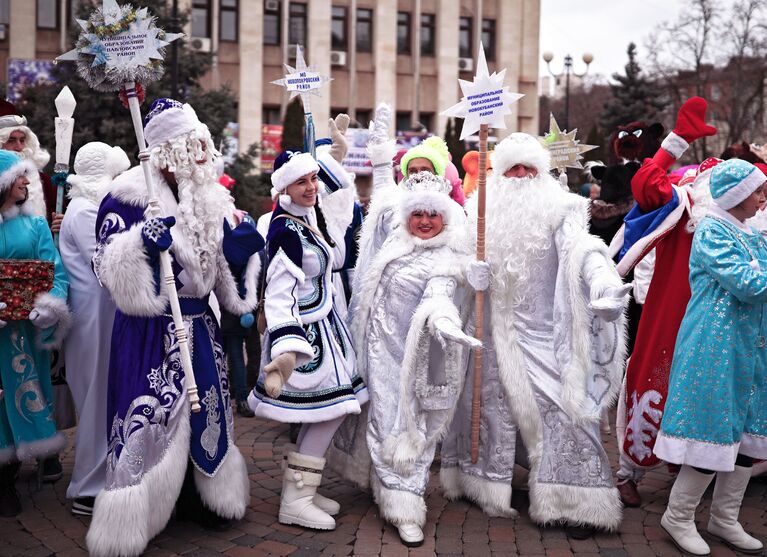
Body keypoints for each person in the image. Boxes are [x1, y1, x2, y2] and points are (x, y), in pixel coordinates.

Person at [87, 98, 263, 557]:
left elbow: (226, 277)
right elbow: (106, 264)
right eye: (195, 146)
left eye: (205, 144)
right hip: (150, 329)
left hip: (200, 324)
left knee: (205, 410)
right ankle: (135, 514)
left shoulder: (211, 197)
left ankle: (199, 496)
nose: (204, 155)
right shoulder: (128, 195)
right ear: (169, 150)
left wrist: (243, 256)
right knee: (151, 416)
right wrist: (140, 245)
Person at [440, 132, 631, 537]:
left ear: (542, 171)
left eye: (529, 166)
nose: (522, 175)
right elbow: (453, 260)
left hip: (544, 331)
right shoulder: (479, 211)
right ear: (501, 173)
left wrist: (603, 283)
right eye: (513, 168)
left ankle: (577, 502)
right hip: (489, 333)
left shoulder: (562, 208)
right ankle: (488, 481)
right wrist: (464, 273)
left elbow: (584, 249)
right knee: (492, 411)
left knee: (565, 410)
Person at [247, 125, 367, 531]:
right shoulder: (284, 229)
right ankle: (295, 500)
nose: (311, 186)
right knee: (328, 413)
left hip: (327, 327)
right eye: (302, 181)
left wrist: (332, 154)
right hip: (306, 336)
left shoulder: (307, 217)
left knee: (327, 412)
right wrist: (285, 348)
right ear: (285, 188)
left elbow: (337, 205)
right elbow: (279, 292)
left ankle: (302, 491)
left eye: (313, 178)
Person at [351, 169, 478, 546]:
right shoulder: (397, 242)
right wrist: (377, 161)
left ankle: (406, 505)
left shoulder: (450, 256)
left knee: (411, 429)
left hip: (417, 361)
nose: (424, 222)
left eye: (432, 215)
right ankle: (384, 487)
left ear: (445, 216)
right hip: (379, 353)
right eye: (417, 214)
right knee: (380, 420)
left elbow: (440, 295)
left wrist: (444, 321)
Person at [607, 97, 721, 507]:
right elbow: (644, 184)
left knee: (699, 391)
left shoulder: (745, 218)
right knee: (650, 380)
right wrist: (679, 140)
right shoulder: (683, 205)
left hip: (715, 322)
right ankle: (628, 472)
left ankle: (687, 465)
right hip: (668, 314)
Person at [654, 158, 767, 556]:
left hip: (753, 347)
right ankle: (679, 516)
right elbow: (750, 284)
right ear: (737, 195)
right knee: (710, 432)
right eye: (757, 190)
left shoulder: (754, 233)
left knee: (752, 435)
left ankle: (724, 518)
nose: (763, 197)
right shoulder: (711, 231)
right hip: (714, 346)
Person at [58, 142, 130, 516]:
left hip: (100, 317)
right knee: (94, 401)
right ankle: (87, 486)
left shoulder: (84, 207)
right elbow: (105, 262)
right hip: (91, 321)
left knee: (102, 398)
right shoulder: (86, 210)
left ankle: (101, 476)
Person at [0, 150, 70, 517]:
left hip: (23, 334)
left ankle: (8, 477)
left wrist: (48, 306)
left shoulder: (35, 225)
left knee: (19, 399)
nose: (28, 182)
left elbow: (55, 271)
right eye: (20, 176)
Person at [0, 100, 62, 232]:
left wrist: (60, 224)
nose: (19, 147)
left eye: (22, 140)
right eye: (11, 140)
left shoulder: (44, 180)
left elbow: (56, 221)